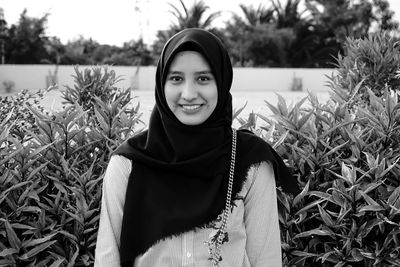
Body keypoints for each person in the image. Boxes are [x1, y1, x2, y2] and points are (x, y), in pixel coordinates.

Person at [94, 28, 299, 267]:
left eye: (203, 78)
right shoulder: (129, 163)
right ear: (162, 84)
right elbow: (107, 259)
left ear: (221, 82)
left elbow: (265, 259)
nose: (189, 94)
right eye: (176, 78)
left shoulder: (249, 160)